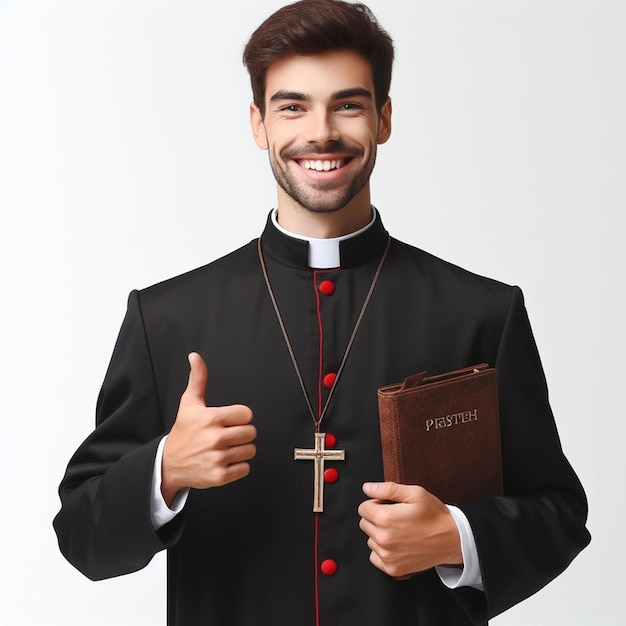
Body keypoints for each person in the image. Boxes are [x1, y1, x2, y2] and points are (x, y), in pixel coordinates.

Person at [53, 1, 590, 624]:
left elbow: (559, 513)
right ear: (258, 123)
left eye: (349, 104)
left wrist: (457, 537)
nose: (322, 131)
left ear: (384, 118)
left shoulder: (481, 312)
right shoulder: (166, 317)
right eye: (293, 106)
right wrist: (164, 471)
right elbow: (80, 538)